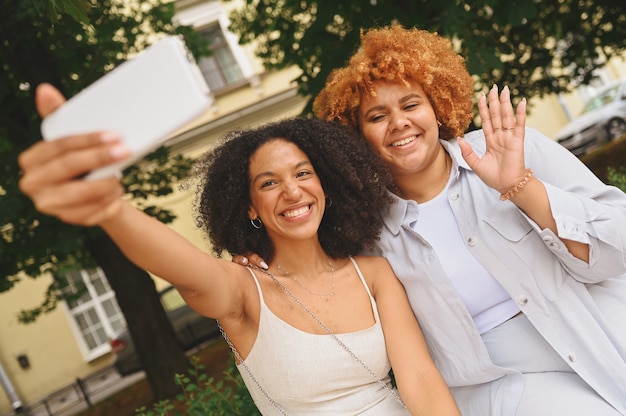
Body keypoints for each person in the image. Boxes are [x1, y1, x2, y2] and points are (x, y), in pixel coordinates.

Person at [242, 25, 626, 415]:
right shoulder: (363, 230)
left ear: (437, 106)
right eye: (377, 116)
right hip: (501, 388)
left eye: (411, 105)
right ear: (357, 136)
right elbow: (315, 272)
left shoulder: (512, 151)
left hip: (601, 337)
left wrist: (520, 186)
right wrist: (261, 262)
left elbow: (617, 249)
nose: (399, 123)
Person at [18, 83, 462, 415]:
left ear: (325, 184)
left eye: (303, 173)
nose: (292, 191)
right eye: (269, 183)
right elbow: (184, 267)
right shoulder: (243, 292)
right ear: (250, 206)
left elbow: (420, 379)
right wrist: (111, 208)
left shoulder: (374, 274)